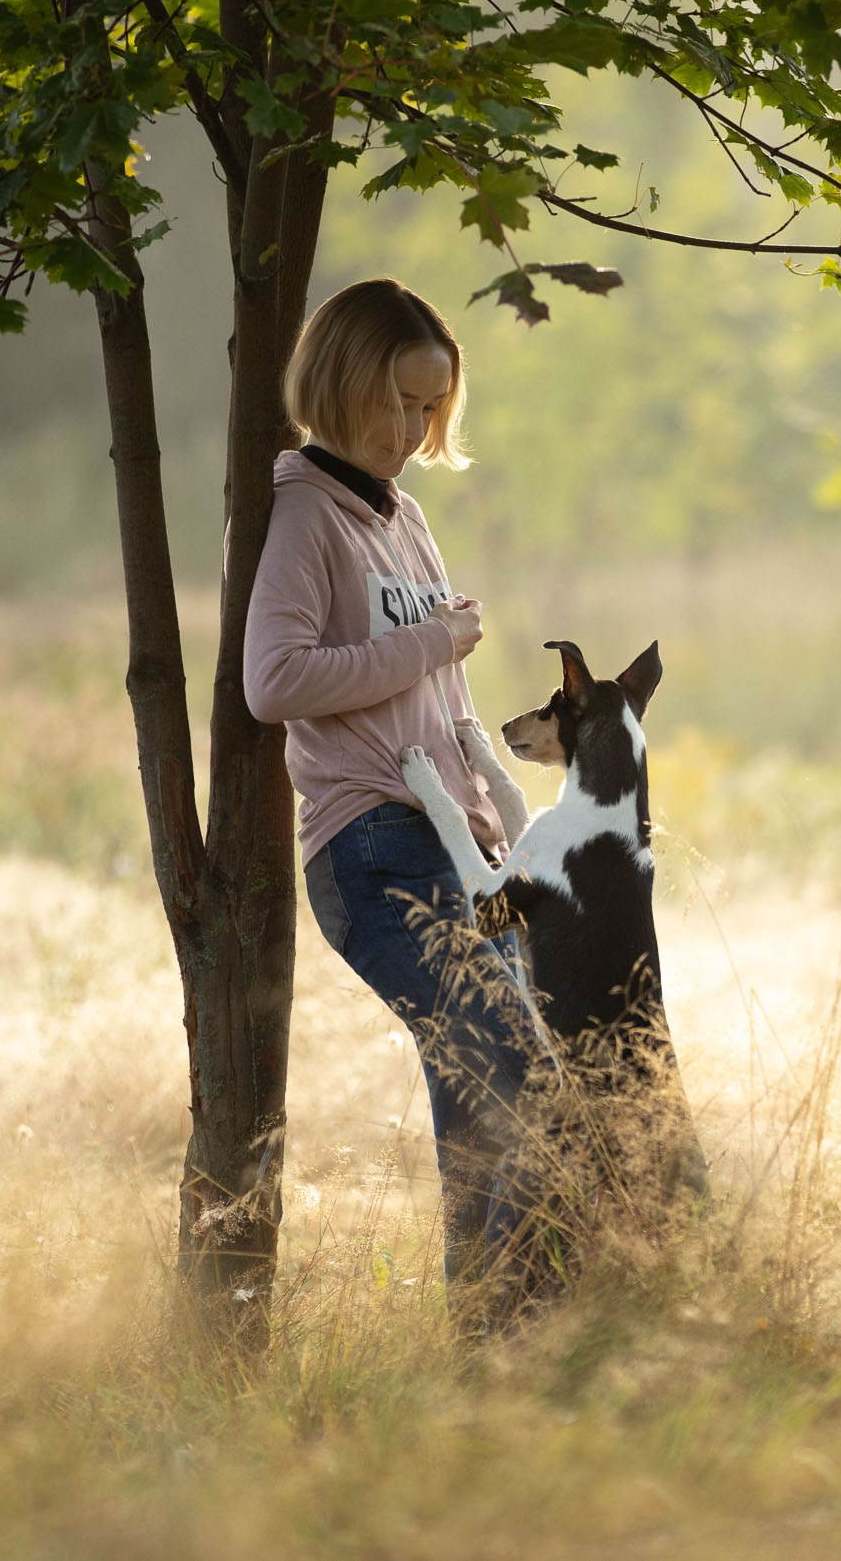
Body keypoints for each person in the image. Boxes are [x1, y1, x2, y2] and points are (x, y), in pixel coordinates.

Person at [242, 276, 535, 1302]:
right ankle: (516, 1338)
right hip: (375, 845)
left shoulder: (403, 517)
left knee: (490, 1113)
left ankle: (494, 1370)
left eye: (428, 407)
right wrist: (430, 639)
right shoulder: (305, 516)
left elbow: (440, 693)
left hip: (467, 843)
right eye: (394, 399)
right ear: (339, 381)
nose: (408, 428)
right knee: (531, 1079)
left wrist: (503, 828)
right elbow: (273, 682)